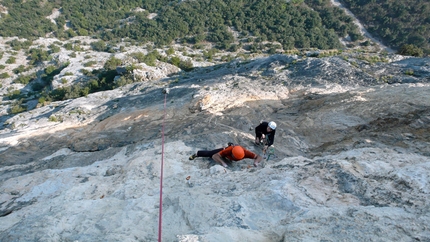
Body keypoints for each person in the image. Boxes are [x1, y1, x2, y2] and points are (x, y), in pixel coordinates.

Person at [189, 143, 263, 167]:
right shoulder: (228, 150)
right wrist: (223, 163)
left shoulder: (246, 153)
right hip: (226, 152)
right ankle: (196, 154)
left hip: (232, 151)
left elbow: (259, 156)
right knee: (209, 153)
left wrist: (256, 162)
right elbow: (215, 156)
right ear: (232, 154)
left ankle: (231, 144)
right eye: (235, 157)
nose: (236, 159)